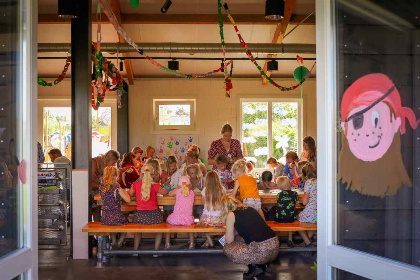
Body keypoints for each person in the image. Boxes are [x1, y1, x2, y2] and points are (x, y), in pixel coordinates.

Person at [221, 196, 279, 279]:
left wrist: (228, 228)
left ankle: (255, 267)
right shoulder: (250, 209)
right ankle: (263, 264)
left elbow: (229, 240)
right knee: (242, 239)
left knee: (227, 247)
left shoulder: (231, 214)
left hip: (262, 252)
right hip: (274, 248)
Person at [129, 163, 168, 255]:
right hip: (154, 216)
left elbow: (129, 194)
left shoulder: (135, 185)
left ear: (141, 174)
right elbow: (165, 192)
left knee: (138, 230)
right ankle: (156, 250)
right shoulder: (155, 186)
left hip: (140, 216)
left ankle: (135, 250)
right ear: (153, 175)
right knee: (160, 229)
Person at [100, 166, 131, 248]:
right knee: (127, 221)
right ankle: (120, 242)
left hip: (105, 217)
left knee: (111, 223)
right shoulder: (116, 187)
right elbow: (128, 199)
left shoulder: (102, 187)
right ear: (115, 176)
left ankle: (113, 241)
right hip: (116, 216)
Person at [166, 176, 195, 249]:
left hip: (176, 218)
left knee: (167, 225)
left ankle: (167, 243)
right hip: (187, 219)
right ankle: (191, 243)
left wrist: (177, 188)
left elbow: (170, 194)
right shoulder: (192, 192)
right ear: (189, 184)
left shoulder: (178, 190)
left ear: (179, 184)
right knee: (190, 226)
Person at [91, 150, 120, 222]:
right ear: (108, 160)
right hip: (90, 190)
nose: (114, 165)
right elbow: (90, 182)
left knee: (98, 209)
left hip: (98, 189)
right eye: (113, 163)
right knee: (94, 209)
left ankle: (100, 230)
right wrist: (101, 187)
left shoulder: (106, 166)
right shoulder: (95, 162)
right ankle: (95, 230)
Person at [200, 171, 226, 248]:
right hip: (219, 219)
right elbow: (224, 202)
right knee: (226, 224)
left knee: (200, 223)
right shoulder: (222, 189)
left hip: (207, 219)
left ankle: (208, 239)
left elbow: (203, 202)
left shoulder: (205, 190)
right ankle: (216, 240)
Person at [275, 176, 299, 247]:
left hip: (278, 219)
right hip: (290, 219)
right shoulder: (294, 194)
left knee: (277, 214)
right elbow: (297, 204)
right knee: (291, 216)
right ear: (289, 184)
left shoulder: (278, 195)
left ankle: (277, 238)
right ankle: (290, 238)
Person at [297, 163, 317, 247]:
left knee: (296, 219)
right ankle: (306, 242)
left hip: (312, 212)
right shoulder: (320, 181)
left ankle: (307, 242)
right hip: (321, 213)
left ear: (305, 175)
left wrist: (299, 201)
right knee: (314, 223)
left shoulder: (309, 182)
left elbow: (305, 202)